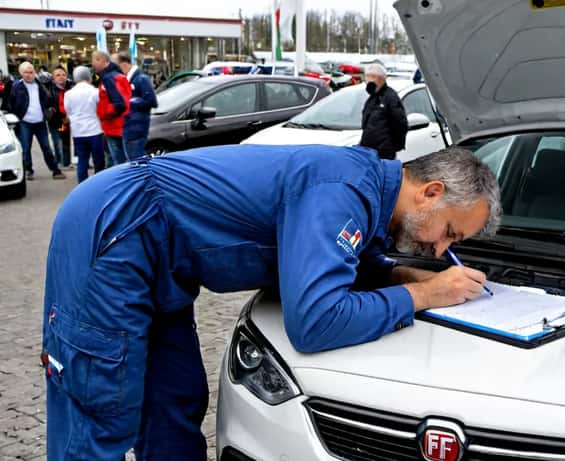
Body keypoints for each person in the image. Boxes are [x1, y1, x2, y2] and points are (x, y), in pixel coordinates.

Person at [42, 144, 500, 460]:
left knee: (173, 400)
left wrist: (394, 272)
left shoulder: (365, 193)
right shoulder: (341, 190)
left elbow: (325, 256)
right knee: (102, 401)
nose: (442, 251)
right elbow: (316, 320)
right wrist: (422, 294)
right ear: (431, 191)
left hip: (161, 256)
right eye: (450, 234)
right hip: (117, 230)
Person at [8, 62, 65, 180]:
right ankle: (28, 170)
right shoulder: (16, 86)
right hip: (25, 122)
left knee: (46, 147)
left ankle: (55, 170)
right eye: (26, 72)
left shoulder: (41, 85)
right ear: (21, 73)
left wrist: (50, 111)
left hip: (40, 122)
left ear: (34, 72)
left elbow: (49, 99)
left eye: (31, 72)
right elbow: (11, 104)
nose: (29, 75)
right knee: (26, 148)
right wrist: (15, 118)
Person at [63, 66, 104, 183]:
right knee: (98, 161)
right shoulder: (95, 92)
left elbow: (68, 111)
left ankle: (82, 185)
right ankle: (99, 184)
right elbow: (100, 109)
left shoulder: (69, 94)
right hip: (95, 130)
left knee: (82, 160)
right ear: (89, 77)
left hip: (78, 132)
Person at [359, 63, 408, 160]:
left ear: (382, 79)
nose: (369, 80)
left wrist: (393, 146)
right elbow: (367, 125)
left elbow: (400, 123)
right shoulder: (372, 98)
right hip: (368, 151)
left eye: (373, 76)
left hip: (384, 153)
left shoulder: (390, 97)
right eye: (367, 77)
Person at [91, 50, 130, 166]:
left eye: (93, 61)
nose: (92, 64)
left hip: (114, 127)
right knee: (123, 162)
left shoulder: (108, 78)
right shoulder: (117, 76)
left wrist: (103, 113)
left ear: (100, 60)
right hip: (120, 126)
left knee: (119, 164)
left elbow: (120, 104)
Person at [116, 52, 157, 159]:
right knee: (132, 160)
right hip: (129, 126)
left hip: (136, 127)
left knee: (136, 161)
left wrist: (131, 102)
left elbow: (151, 101)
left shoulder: (141, 79)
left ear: (124, 64)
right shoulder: (129, 79)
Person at [47, 66, 75, 169]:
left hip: (65, 120)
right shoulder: (49, 89)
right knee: (57, 142)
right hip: (55, 121)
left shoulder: (71, 87)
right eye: (58, 75)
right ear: (53, 78)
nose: (61, 77)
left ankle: (67, 163)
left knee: (65, 142)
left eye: (63, 75)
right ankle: (59, 162)